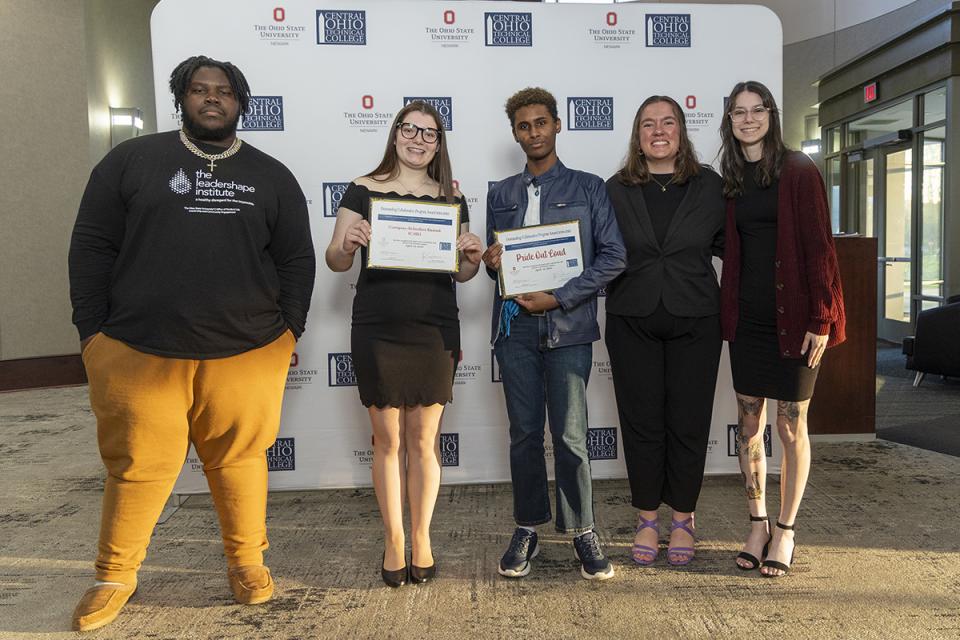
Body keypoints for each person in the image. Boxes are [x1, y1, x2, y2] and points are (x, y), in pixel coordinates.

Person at [67, 55, 316, 631]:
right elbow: (91, 248)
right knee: (137, 467)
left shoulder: (271, 175)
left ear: (239, 103)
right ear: (181, 98)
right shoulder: (131, 162)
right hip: (137, 347)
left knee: (240, 459)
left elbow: (296, 260)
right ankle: (113, 575)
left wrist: (287, 333)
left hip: (249, 349)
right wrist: (94, 336)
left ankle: (247, 562)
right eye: (200, 90)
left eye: (223, 92)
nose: (212, 99)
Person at [325, 101, 482, 588]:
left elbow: (461, 272)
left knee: (423, 441)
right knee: (389, 441)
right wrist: (347, 242)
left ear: (439, 143)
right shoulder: (362, 189)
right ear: (394, 135)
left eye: (430, 133)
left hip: (434, 329)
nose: (419, 139)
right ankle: (395, 540)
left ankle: (423, 537)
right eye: (410, 130)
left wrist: (471, 256)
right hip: (378, 327)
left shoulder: (451, 198)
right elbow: (334, 261)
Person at [481, 87, 626, 581]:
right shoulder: (500, 193)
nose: (533, 132)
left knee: (570, 434)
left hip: (568, 327)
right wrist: (492, 264)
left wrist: (560, 296)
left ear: (557, 125)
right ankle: (527, 526)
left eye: (541, 122)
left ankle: (583, 528)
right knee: (524, 434)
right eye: (524, 126)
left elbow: (613, 256)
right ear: (515, 133)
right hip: (515, 329)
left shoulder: (588, 187)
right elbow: (496, 272)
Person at [718, 80, 846, 577]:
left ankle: (786, 530)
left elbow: (821, 249)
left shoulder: (798, 170)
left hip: (797, 319)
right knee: (749, 424)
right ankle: (757, 522)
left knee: (791, 424)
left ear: (772, 115)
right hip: (747, 319)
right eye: (738, 112)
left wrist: (822, 317)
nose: (748, 119)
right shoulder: (731, 177)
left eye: (757, 109)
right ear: (729, 121)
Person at [604, 96, 725, 567]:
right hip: (631, 319)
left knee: (690, 422)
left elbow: (734, 248)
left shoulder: (711, 186)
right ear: (637, 135)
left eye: (668, 122)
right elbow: (592, 250)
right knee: (641, 423)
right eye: (648, 124)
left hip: (696, 319)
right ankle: (647, 518)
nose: (659, 131)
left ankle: (683, 519)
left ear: (682, 131)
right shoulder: (614, 189)